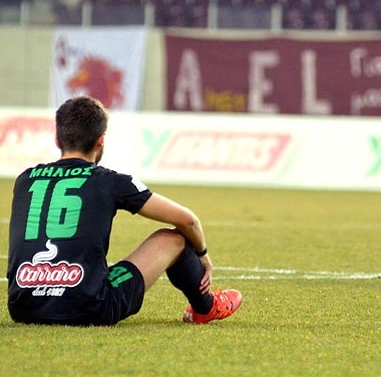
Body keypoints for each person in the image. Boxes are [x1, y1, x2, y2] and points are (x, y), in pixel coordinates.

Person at [6, 96, 242, 326]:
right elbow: (187, 220)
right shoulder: (110, 181)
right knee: (175, 238)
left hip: (23, 307)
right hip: (88, 307)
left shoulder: (25, 179)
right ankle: (206, 307)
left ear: (58, 140)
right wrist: (203, 256)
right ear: (101, 140)